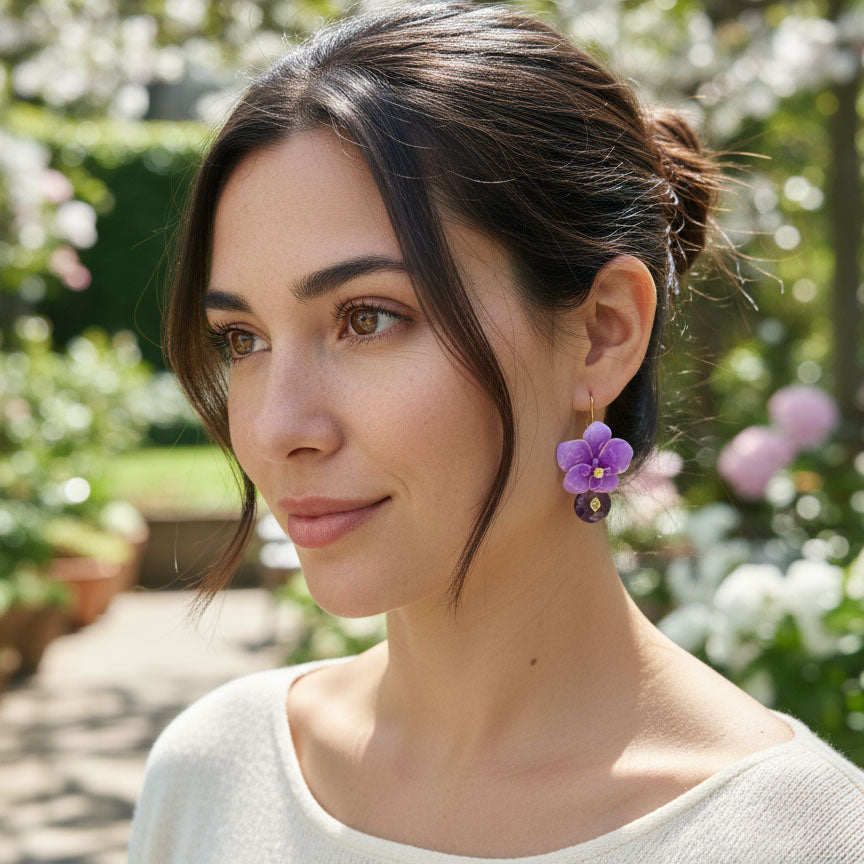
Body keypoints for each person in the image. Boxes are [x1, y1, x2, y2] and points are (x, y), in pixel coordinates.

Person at [128, 1, 864, 861]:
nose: (277, 427)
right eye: (242, 340)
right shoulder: (212, 777)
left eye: (367, 318)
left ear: (602, 334)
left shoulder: (796, 837)